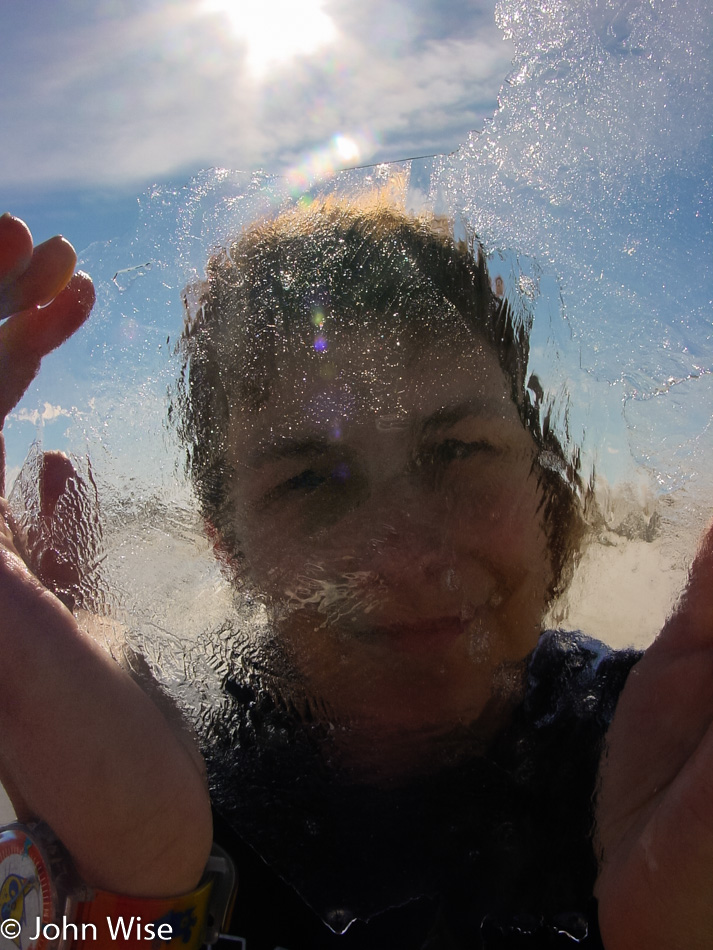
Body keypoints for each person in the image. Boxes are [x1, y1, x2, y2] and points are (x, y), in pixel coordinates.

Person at [2, 204, 713, 950]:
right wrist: (122, 897)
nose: (407, 557)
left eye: (457, 451)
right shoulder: (150, 766)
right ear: (228, 547)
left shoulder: (666, 752)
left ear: (546, 483)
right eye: (311, 482)